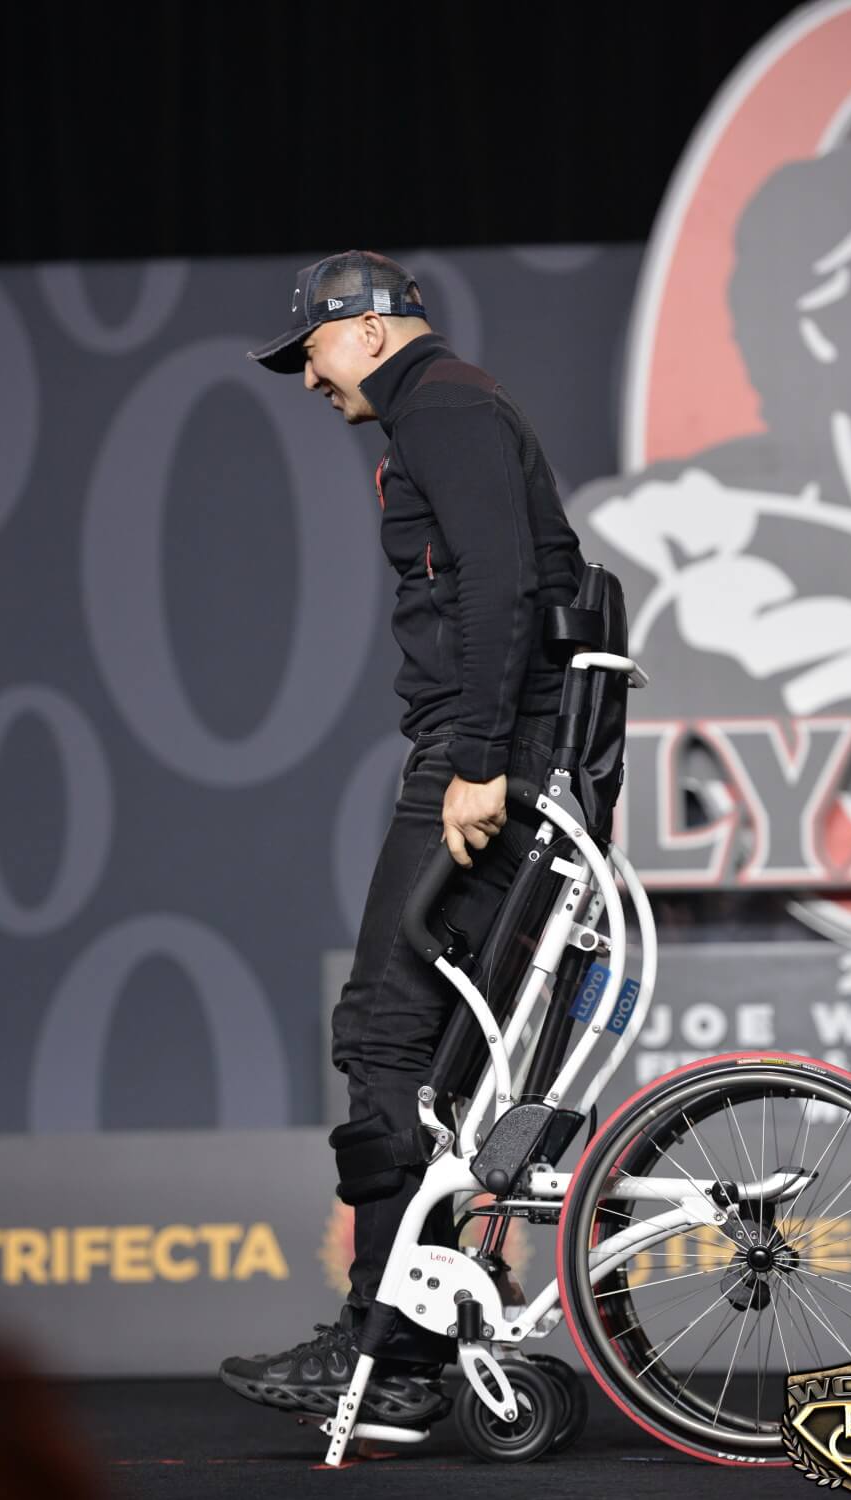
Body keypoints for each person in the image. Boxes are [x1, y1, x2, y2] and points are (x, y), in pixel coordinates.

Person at [220, 250, 586, 1426]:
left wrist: (476, 759)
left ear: (371, 330)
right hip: (502, 751)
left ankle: (387, 1356)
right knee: (421, 1057)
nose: (308, 379)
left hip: (488, 760)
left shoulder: (443, 407)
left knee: (383, 1031)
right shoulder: (445, 408)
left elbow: (500, 586)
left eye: (312, 352)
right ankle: (418, 1330)